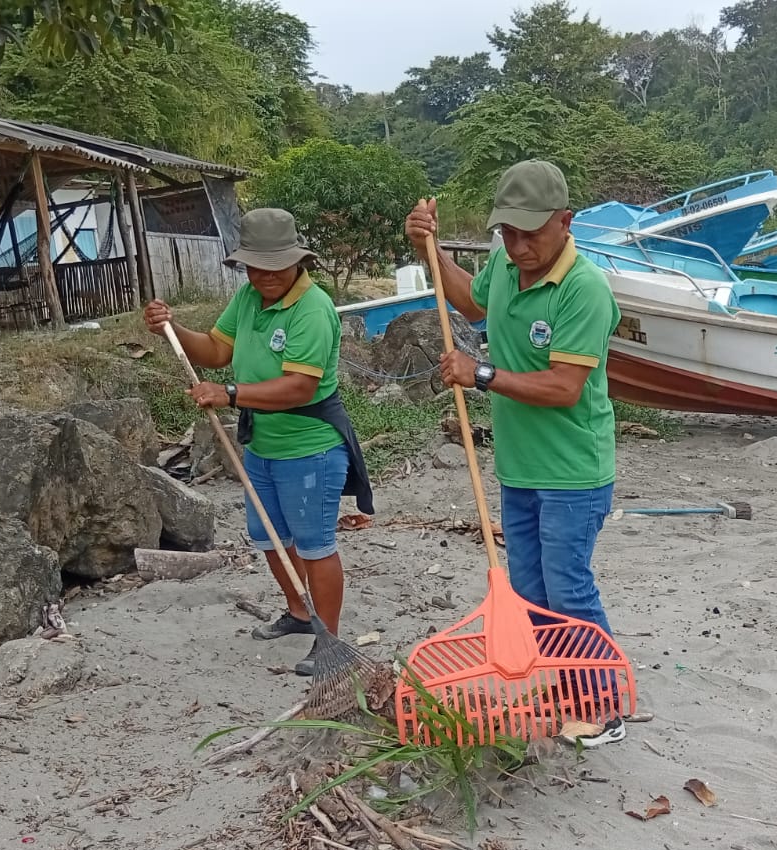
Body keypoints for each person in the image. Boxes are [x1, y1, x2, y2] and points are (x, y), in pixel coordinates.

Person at [404, 159, 627, 746]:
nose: (519, 247)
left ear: (565, 222)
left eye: (531, 234)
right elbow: (471, 303)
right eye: (508, 233)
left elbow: (564, 387)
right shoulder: (506, 263)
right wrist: (431, 249)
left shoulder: (584, 289)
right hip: (518, 466)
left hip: (574, 471)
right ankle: (567, 687)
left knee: (568, 587)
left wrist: (480, 373)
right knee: (529, 592)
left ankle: (603, 706)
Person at [142, 208, 373, 677]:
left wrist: (229, 393)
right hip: (263, 445)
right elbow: (216, 349)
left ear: (297, 261)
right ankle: (299, 611)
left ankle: (329, 639)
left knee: (315, 544)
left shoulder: (313, 309)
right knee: (268, 536)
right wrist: (172, 328)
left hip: (309, 447)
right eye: (255, 266)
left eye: (276, 266)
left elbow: (299, 387)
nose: (265, 276)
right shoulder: (248, 297)